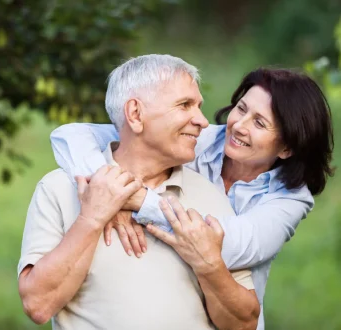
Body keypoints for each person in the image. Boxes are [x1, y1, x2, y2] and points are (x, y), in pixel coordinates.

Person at [50, 60, 334, 329]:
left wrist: (135, 200)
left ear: (286, 148)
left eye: (259, 123)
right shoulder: (194, 140)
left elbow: (225, 245)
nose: (239, 125)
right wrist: (108, 189)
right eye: (241, 108)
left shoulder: (292, 198)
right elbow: (71, 136)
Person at [18, 54, 260, 330]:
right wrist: (91, 220)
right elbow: (38, 305)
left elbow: (244, 324)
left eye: (199, 107)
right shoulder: (59, 189)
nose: (203, 121)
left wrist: (210, 265)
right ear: (135, 114)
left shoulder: (211, 197)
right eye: (184, 105)